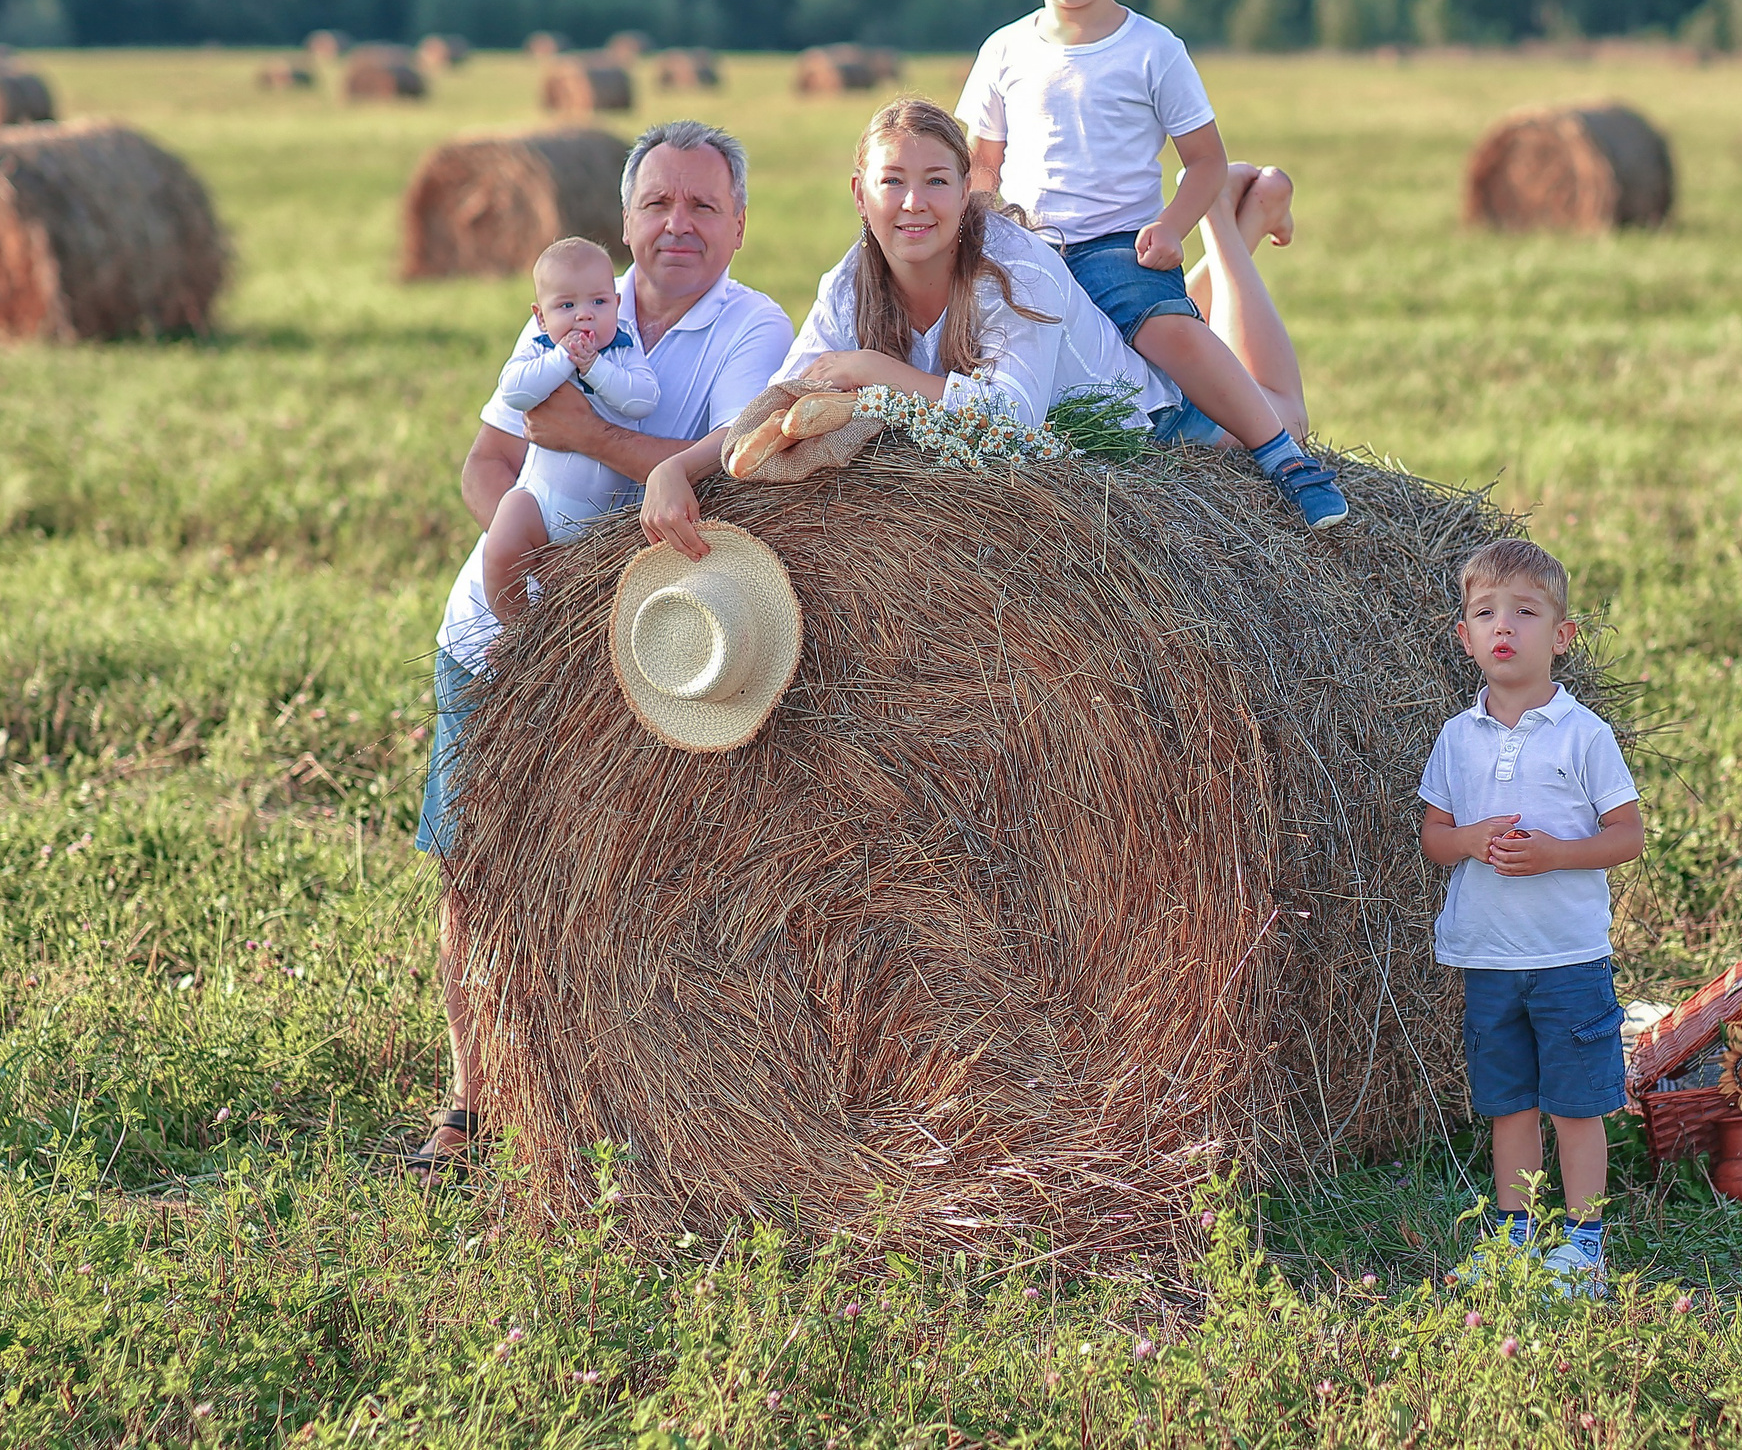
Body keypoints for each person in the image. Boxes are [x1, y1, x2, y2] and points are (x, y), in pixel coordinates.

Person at [408, 119, 795, 1180]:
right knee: (471, 870)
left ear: (738, 223)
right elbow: (489, 458)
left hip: (656, 646)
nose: (678, 224)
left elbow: (724, 469)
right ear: (625, 218)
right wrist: (522, 540)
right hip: (495, 637)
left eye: (703, 205)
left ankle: (625, 1098)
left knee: (638, 871)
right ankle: (471, 1102)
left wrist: (585, 443)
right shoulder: (567, 307)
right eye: (658, 203)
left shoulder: (754, 329)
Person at [957, 0, 1350, 530]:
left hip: (1117, 244)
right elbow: (980, 166)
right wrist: (978, 235)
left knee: (1170, 336)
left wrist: (1170, 227)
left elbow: (1202, 158)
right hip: (1029, 247)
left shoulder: (1153, 49)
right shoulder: (1003, 50)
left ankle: (1284, 455)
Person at [641, 97, 1197, 554]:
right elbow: (782, 400)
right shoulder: (847, 284)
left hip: (1143, 435)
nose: (914, 203)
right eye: (892, 182)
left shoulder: (1015, 269)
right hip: (1024, 477)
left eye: (935, 181)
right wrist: (678, 468)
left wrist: (871, 369)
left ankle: (1231, 224)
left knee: (1283, 410)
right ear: (860, 195)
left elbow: (1014, 418)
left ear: (964, 191)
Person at [1417, 540, 1644, 1297]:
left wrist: (1555, 853)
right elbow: (1434, 838)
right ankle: (1515, 1235)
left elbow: (1627, 836)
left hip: (1567, 956)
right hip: (1489, 955)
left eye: (1524, 610)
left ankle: (1584, 1246)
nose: (1502, 625)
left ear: (1562, 635)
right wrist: (1473, 839)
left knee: (1577, 1105)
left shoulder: (1584, 735)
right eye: (1485, 612)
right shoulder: (1457, 736)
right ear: (1465, 635)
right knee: (1509, 1103)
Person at [480, 236, 660, 619]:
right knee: (501, 544)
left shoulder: (624, 348)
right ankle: (518, 629)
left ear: (616, 302)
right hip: (539, 500)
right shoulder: (542, 348)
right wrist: (563, 359)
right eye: (567, 305)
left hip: (603, 520)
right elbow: (514, 391)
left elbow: (643, 399)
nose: (584, 316)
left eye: (598, 302)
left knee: (598, 590)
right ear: (541, 316)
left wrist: (595, 368)